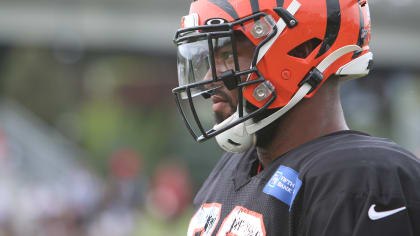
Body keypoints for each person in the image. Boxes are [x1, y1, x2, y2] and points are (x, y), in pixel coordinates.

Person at [172, 0, 420, 235]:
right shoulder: (234, 167)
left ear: (301, 51)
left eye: (227, 56)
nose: (207, 80)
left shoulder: (360, 180)